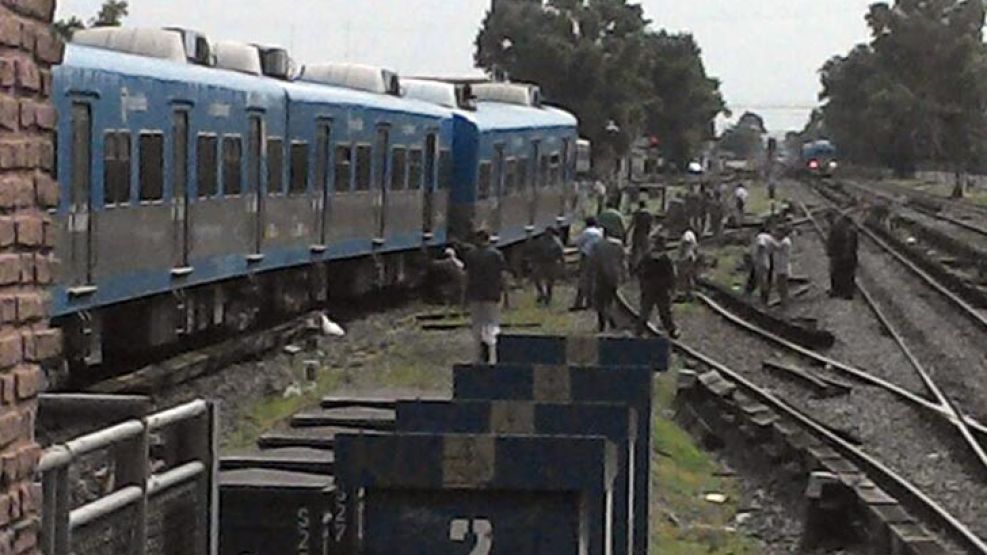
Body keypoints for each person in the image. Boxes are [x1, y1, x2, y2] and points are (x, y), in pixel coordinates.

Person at [463, 230, 509, 364]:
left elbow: (466, 277)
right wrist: (506, 297)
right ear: (488, 239)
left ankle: (478, 357)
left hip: (475, 295)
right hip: (492, 295)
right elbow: (502, 276)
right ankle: (492, 355)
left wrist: (463, 297)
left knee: (477, 325)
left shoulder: (470, 255)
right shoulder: (496, 254)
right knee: (492, 324)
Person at [636, 235, 679, 338]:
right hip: (662, 288)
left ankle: (639, 331)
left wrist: (642, 282)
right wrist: (673, 288)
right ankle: (671, 330)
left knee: (645, 311)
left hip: (649, 287)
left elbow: (638, 270)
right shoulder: (666, 259)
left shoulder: (647, 256)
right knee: (665, 311)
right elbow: (672, 275)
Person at [589, 227, 626, 332]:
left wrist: (591, 274)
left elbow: (593, 261)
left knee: (599, 301)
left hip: (600, 275)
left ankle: (603, 323)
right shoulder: (618, 244)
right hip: (614, 275)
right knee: (610, 299)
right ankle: (611, 320)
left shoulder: (597, 245)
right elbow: (622, 260)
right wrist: (624, 275)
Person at [571, 216, 604, 310]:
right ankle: (590, 302)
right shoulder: (599, 233)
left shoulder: (586, 232)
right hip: (597, 257)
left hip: (586, 257)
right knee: (592, 280)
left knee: (583, 279)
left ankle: (579, 303)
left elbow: (578, 243)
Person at [528, 228, 565, 306]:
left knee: (550, 281)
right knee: (536, 279)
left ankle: (548, 296)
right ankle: (541, 293)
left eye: (550, 232)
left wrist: (562, 264)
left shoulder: (557, 242)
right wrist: (533, 261)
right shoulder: (541, 241)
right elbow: (535, 251)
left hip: (552, 263)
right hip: (541, 262)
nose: (548, 234)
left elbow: (561, 253)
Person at [827, 214, 858, 299]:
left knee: (835, 273)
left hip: (838, 254)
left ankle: (836, 290)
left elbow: (831, 241)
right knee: (849, 275)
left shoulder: (835, 227)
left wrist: (830, 252)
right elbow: (855, 245)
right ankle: (848, 292)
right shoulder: (852, 230)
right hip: (849, 256)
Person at [747, 225, 774, 305]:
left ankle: (763, 299)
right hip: (766, 261)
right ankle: (752, 294)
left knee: (762, 281)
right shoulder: (770, 238)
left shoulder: (762, 236)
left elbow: (761, 245)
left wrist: (757, 256)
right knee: (761, 279)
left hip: (760, 261)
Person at [627, 200, 654, 267]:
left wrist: (627, 232)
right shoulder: (649, 213)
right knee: (645, 250)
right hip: (644, 233)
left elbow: (632, 223)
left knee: (635, 250)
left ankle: (634, 265)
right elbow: (650, 225)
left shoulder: (637, 212)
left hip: (637, 233)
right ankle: (647, 265)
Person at [773, 225, 793, 308]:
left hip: (783, 267)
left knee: (783, 287)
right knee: (780, 286)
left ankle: (785, 303)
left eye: (778, 232)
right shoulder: (783, 241)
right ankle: (783, 302)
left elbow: (777, 247)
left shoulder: (785, 242)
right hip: (780, 267)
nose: (776, 234)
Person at [677, 228, 699, 299]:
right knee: (688, 276)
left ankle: (686, 293)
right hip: (690, 258)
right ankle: (689, 293)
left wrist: (683, 257)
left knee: (685, 276)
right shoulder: (693, 237)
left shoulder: (688, 234)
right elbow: (695, 249)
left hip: (686, 258)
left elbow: (687, 241)